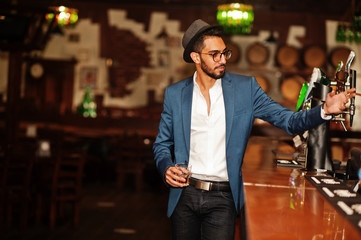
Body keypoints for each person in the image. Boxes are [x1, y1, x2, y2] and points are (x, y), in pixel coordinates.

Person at [153, 19, 356, 240]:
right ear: (195, 57)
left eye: (225, 53)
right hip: (184, 195)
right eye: (214, 55)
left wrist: (324, 110)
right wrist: (166, 168)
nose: (223, 60)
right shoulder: (175, 94)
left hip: (224, 198)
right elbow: (162, 144)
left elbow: (288, 121)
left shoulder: (245, 89)